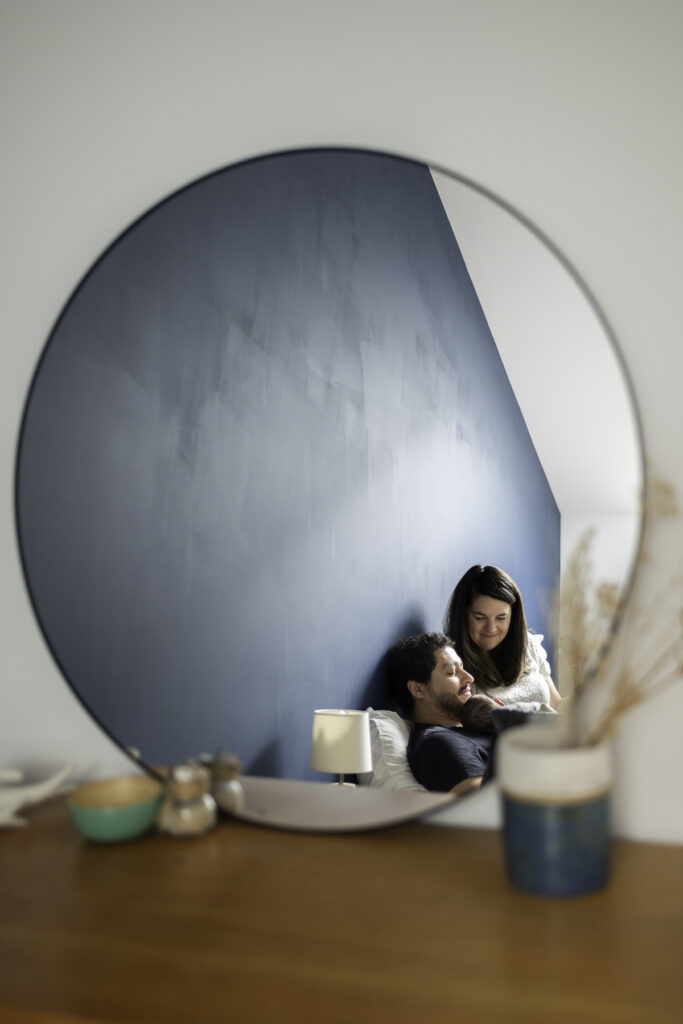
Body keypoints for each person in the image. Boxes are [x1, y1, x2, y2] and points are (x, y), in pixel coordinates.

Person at [385, 632, 491, 795]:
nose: (469, 678)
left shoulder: (473, 728)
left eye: (462, 668)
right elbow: (476, 795)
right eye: (451, 673)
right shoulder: (439, 741)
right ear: (418, 689)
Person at [443, 565, 562, 709]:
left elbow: (557, 705)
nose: (491, 628)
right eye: (479, 618)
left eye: (501, 618)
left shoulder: (528, 645)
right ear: (463, 616)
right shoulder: (451, 663)